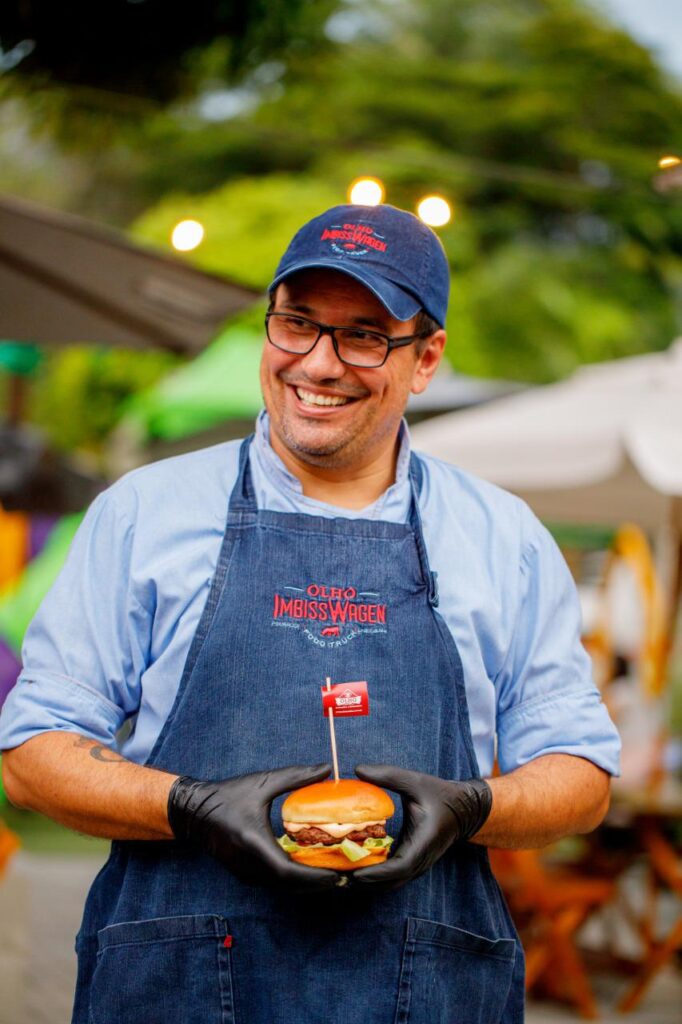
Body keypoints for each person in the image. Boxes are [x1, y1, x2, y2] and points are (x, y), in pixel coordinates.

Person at [0, 204, 620, 1024]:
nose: (318, 363)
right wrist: (191, 805)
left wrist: (474, 807)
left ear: (426, 357)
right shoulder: (144, 512)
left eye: (364, 335)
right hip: (174, 989)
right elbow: (33, 751)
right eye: (297, 324)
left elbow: (578, 773)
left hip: (426, 989)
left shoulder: (503, 537)